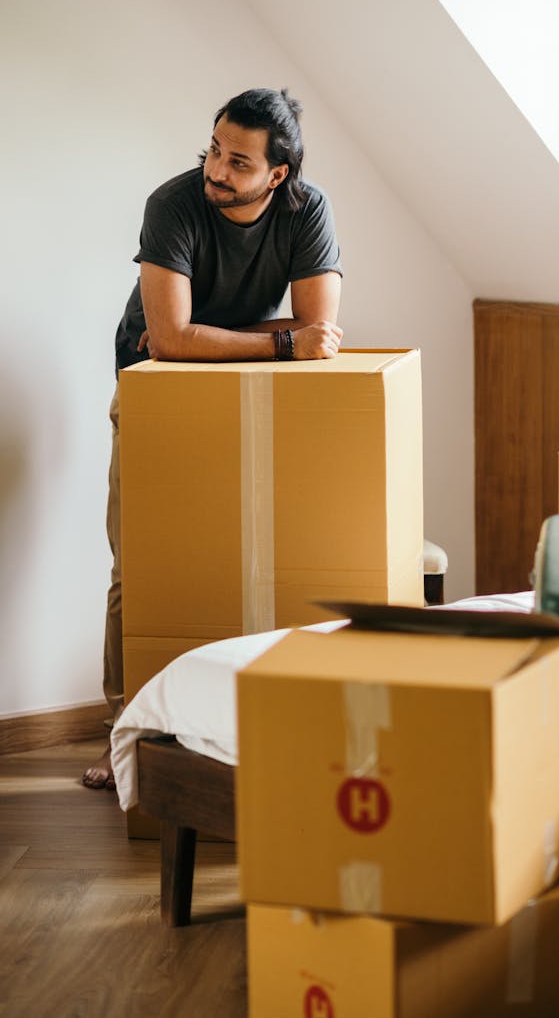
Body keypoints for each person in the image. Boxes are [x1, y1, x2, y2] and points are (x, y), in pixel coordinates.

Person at [82, 87, 343, 789]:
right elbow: (168, 338)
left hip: (250, 393)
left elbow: (320, 335)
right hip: (150, 384)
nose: (217, 170)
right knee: (138, 565)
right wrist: (276, 339)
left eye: (238, 161)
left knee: (247, 558)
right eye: (214, 149)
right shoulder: (172, 204)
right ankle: (122, 732)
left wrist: (219, 339)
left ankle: (230, 726)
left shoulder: (308, 209)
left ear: (277, 175)